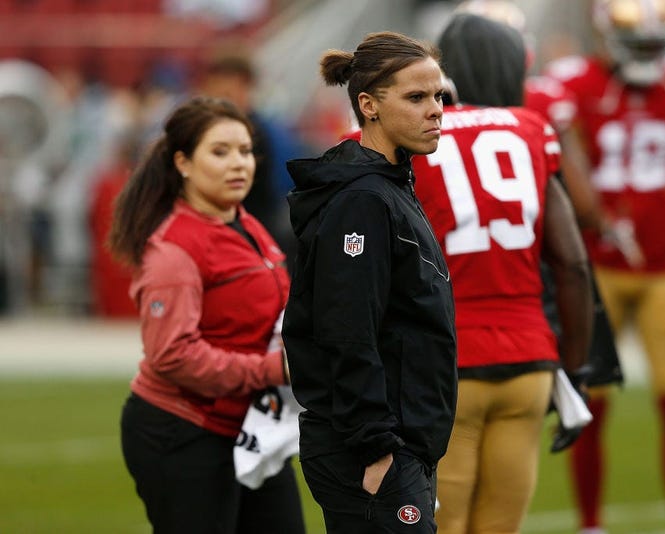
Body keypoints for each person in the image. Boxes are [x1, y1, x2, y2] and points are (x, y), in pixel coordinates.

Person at [408, 13, 594, 534]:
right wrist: (575, 370)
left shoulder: (412, 137)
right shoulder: (531, 128)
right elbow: (574, 263)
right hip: (528, 362)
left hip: (447, 362)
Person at [543, 0, 665, 532]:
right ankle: (591, 523)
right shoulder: (574, 84)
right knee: (589, 404)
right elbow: (559, 162)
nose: (646, 56)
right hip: (599, 265)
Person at [281, 31, 457, 534]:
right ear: (368, 105)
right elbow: (347, 328)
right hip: (372, 449)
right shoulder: (362, 200)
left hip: (402, 446)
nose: (436, 110)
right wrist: (376, 446)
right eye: (416, 97)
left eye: (439, 96)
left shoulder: (391, 186)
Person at [108, 96, 305, 534]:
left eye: (245, 151)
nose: (239, 164)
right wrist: (275, 368)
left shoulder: (246, 223)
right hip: (183, 432)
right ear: (183, 162)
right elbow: (173, 355)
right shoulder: (174, 249)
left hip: (251, 427)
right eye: (220, 152)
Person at [199, 49, 306, 268]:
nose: (221, 100)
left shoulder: (258, 133)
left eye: (228, 92)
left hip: (254, 240)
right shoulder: (205, 131)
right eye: (216, 92)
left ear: (246, 88)